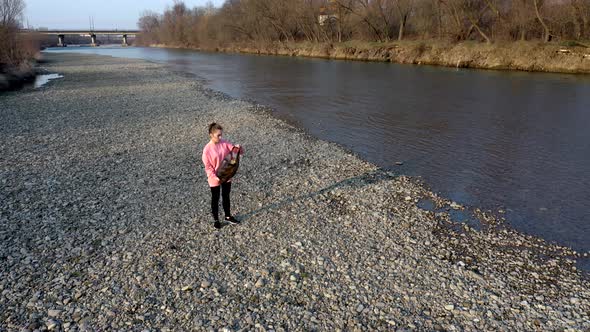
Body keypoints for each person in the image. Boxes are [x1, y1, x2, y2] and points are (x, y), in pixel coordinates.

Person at [202, 123, 243, 229]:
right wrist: (215, 177)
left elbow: (236, 153)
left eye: (221, 135)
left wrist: (238, 148)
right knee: (215, 199)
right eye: (218, 135)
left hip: (226, 175)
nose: (220, 137)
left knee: (226, 196)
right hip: (214, 178)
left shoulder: (224, 143)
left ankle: (228, 216)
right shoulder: (207, 150)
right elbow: (208, 167)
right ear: (211, 135)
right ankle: (216, 220)